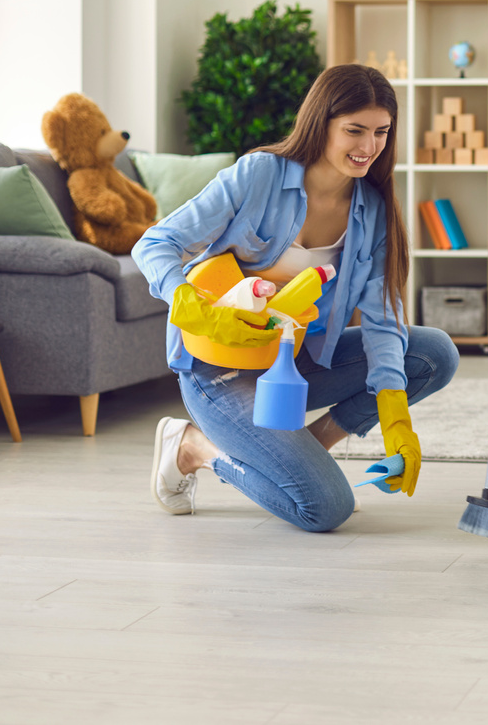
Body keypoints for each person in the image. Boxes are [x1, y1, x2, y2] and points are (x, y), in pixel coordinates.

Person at [133, 64, 458, 532]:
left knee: (432, 353)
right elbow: (155, 243)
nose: (369, 147)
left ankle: (302, 452)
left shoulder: (373, 210)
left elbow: (384, 319)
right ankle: (196, 448)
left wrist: (394, 416)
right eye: (354, 130)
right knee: (325, 509)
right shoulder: (260, 174)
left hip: (294, 363)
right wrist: (189, 304)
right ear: (320, 122)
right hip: (221, 370)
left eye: (382, 132)